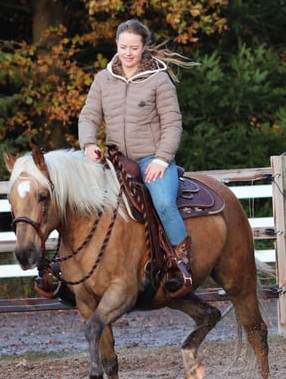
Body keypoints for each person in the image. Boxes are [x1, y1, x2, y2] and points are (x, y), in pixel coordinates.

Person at [78, 19, 197, 299]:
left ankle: (181, 261)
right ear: (116, 46)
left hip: (152, 159)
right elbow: (89, 115)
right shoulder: (102, 80)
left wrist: (162, 160)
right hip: (114, 160)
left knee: (165, 203)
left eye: (134, 47)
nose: (128, 53)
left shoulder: (159, 80)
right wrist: (88, 144)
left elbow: (172, 123)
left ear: (144, 47)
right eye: (123, 47)